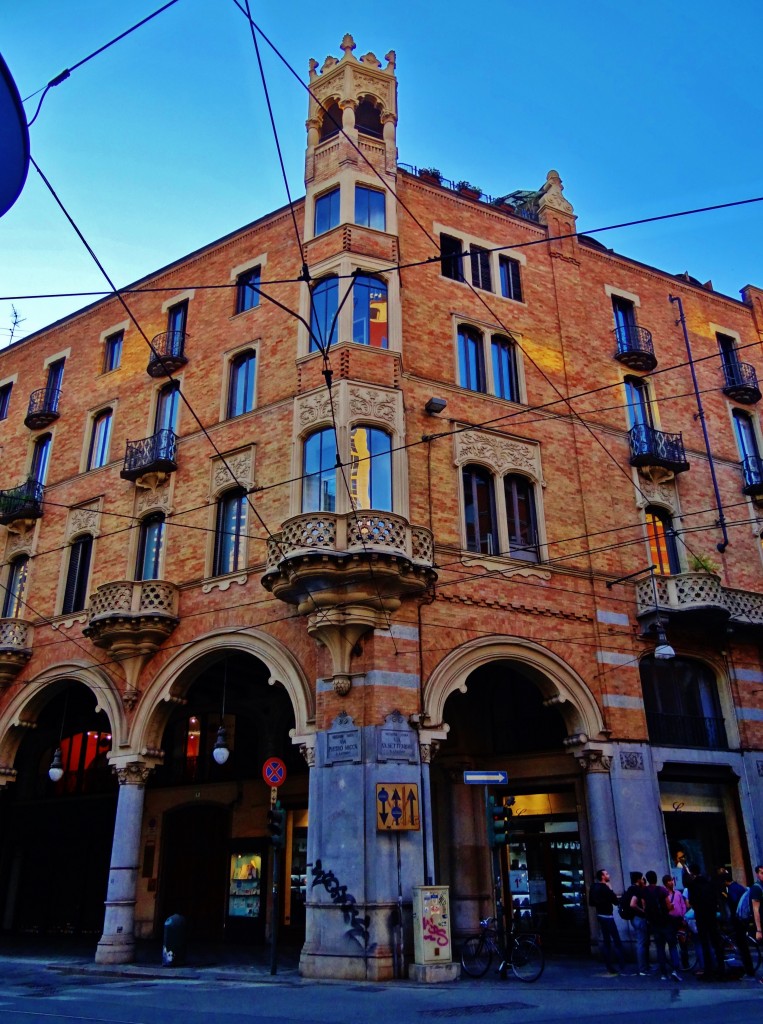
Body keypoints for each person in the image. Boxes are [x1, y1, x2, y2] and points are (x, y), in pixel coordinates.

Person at [686, 863, 726, 981]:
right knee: (716, 942)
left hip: (701, 916)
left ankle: (708, 970)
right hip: (711, 915)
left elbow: (692, 902)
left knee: (704, 943)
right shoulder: (709, 883)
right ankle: (721, 968)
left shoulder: (693, 885)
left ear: (692, 873)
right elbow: (715, 898)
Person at [643, 870, 681, 981]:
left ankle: (663, 972)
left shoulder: (645, 892)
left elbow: (645, 907)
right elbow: (669, 906)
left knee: (660, 948)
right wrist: (671, 907)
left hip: (654, 923)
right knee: (672, 946)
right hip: (666, 922)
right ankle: (675, 969)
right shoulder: (662, 890)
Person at [589, 868, 627, 975]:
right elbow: (615, 901)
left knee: (606, 942)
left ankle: (609, 966)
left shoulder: (593, 887)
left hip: (600, 915)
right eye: (606, 874)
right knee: (617, 941)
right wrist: (610, 890)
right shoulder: (605, 888)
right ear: (602, 876)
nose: (608, 875)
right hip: (608, 917)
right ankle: (621, 965)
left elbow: (591, 902)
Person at [723, 868, 755, 978]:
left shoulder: (731, 889)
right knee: (744, 946)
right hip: (744, 918)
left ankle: (748, 969)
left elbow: (733, 902)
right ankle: (749, 968)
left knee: (742, 946)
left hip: (738, 920)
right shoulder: (739, 886)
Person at [663, 874, 690, 973]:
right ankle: (676, 964)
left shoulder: (678, 893)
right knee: (672, 942)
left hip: (679, 920)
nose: (672, 882)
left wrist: (683, 917)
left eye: (672, 880)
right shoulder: (664, 894)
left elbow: (683, 905)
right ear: (666, 883)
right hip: (670, 920)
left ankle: (685, 963)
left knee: (683, 941)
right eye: (670, 881)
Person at [625, 871, 648, 976]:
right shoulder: (637, 890)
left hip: (633, 918)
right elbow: (633, 904)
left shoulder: (630, 889)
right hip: (639, 918)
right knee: (641, 942)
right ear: (638, 879)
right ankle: (642, 968)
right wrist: (642, 911)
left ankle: (644, 966)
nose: (643, 880)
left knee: (642, 942)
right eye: (642, 878)